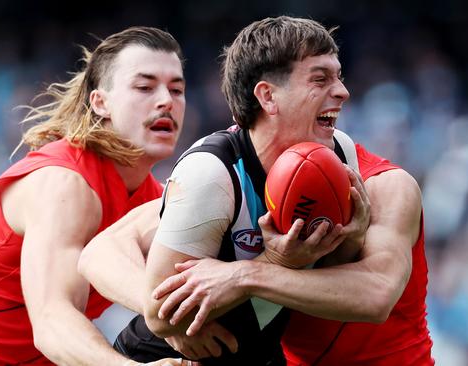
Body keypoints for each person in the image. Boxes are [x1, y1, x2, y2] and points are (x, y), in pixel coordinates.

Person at [81, 16, 433, 365]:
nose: (343, 91)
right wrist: (170, 319)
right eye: (321, 79)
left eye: (338, 76)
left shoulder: (381, 184)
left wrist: (251, 274)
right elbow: (103, 252)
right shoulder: (216, 173)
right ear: (267, 96)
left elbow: (376, 295)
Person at [0, 26, 189, 365]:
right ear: (100, 102)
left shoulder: (155, 200)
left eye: (177, 89)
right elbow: (51, 322)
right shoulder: (63, 183)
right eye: (145, 87)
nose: (166, 101)